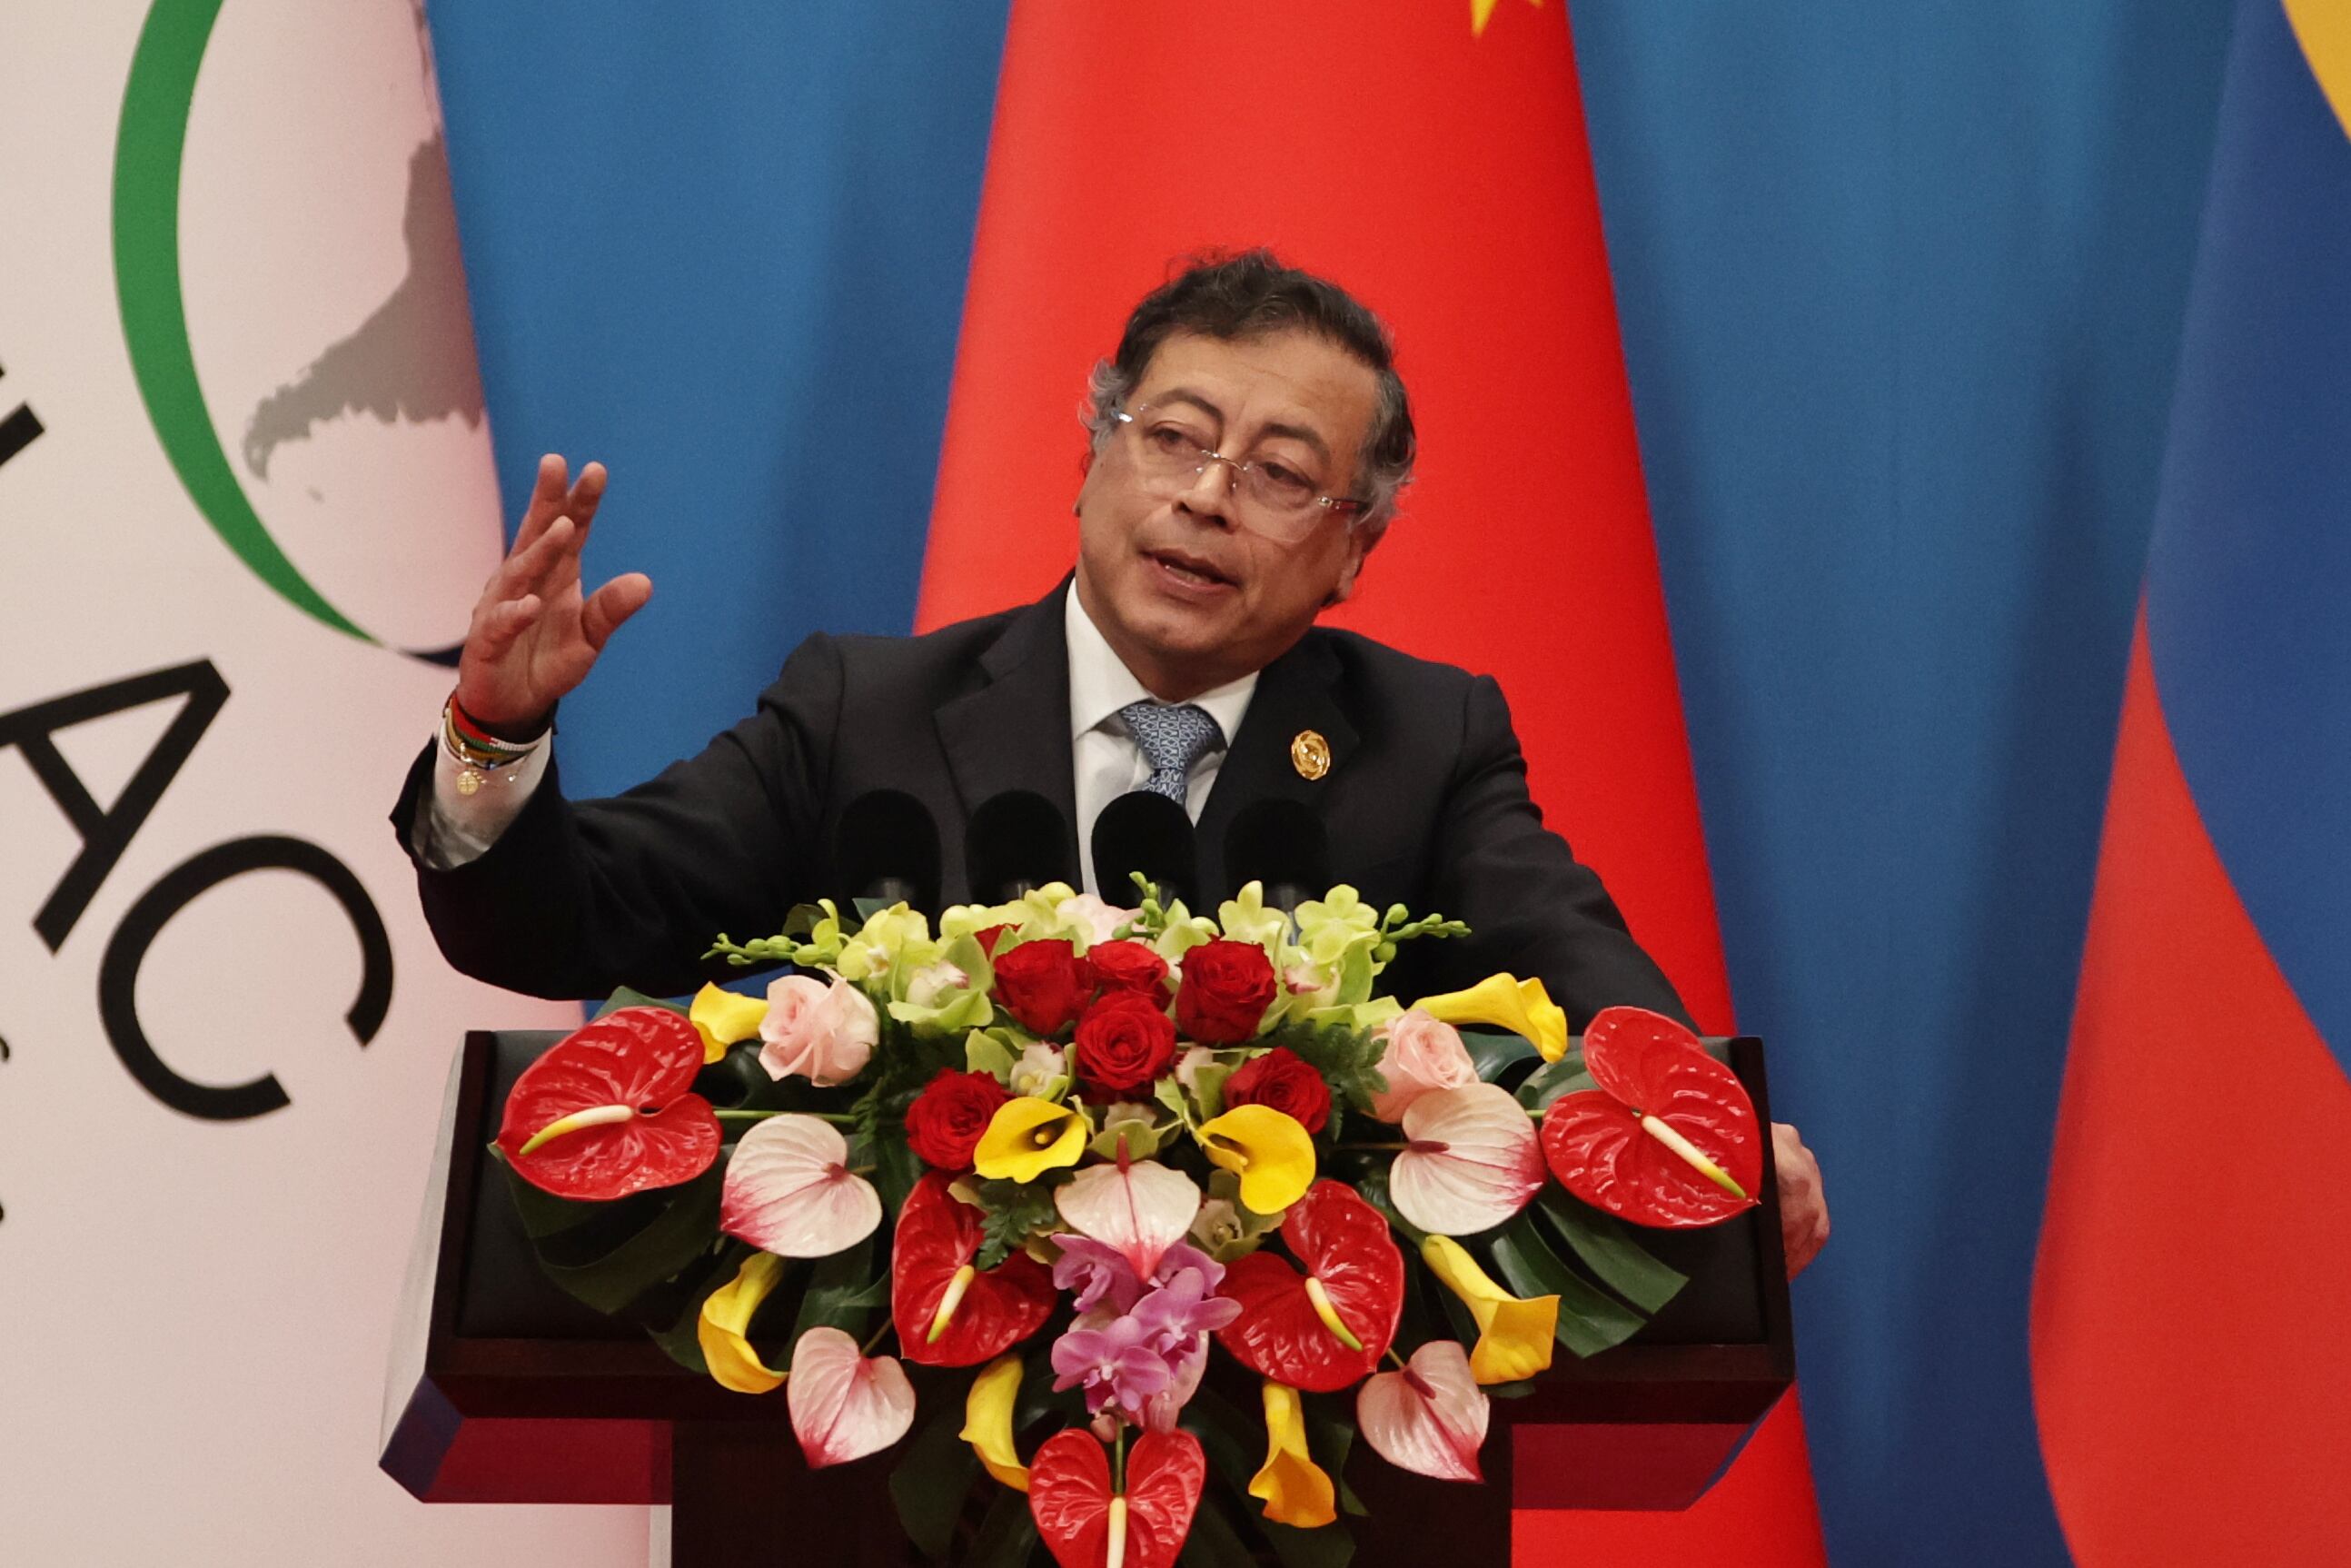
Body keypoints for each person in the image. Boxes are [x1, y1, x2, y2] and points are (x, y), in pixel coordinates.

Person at [393, 252, 1829, 1275]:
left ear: (1354, 550)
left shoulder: (1425, 740)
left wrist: (1715, 1118)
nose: (1207, 494)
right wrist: (495, 735)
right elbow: (558, 919)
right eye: (1177, 438)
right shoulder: (868, 711)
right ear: (1092, 459)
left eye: (1277, 472)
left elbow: (1565, 949)